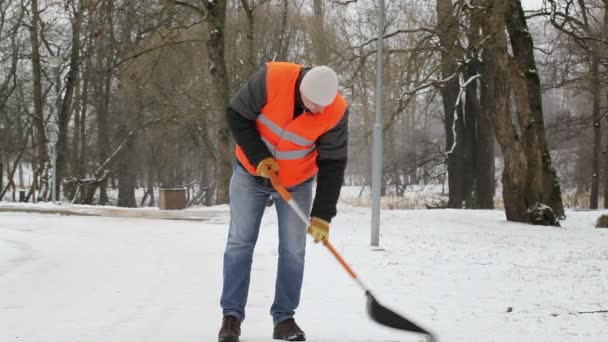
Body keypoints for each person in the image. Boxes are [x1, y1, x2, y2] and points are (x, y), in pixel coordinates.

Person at [218, 62, 349, 342]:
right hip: (250, 174)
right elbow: (236, 114)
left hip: (297, 181)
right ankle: (231, 317)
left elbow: (333, 163)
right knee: (240, 243)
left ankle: (284, 319)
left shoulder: (335, 111)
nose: (316, 111)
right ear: (300, 89)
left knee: (293, 250)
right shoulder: (271, 79)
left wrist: (323, 215)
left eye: (321, 107)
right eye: (312, 104)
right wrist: (258, 157)